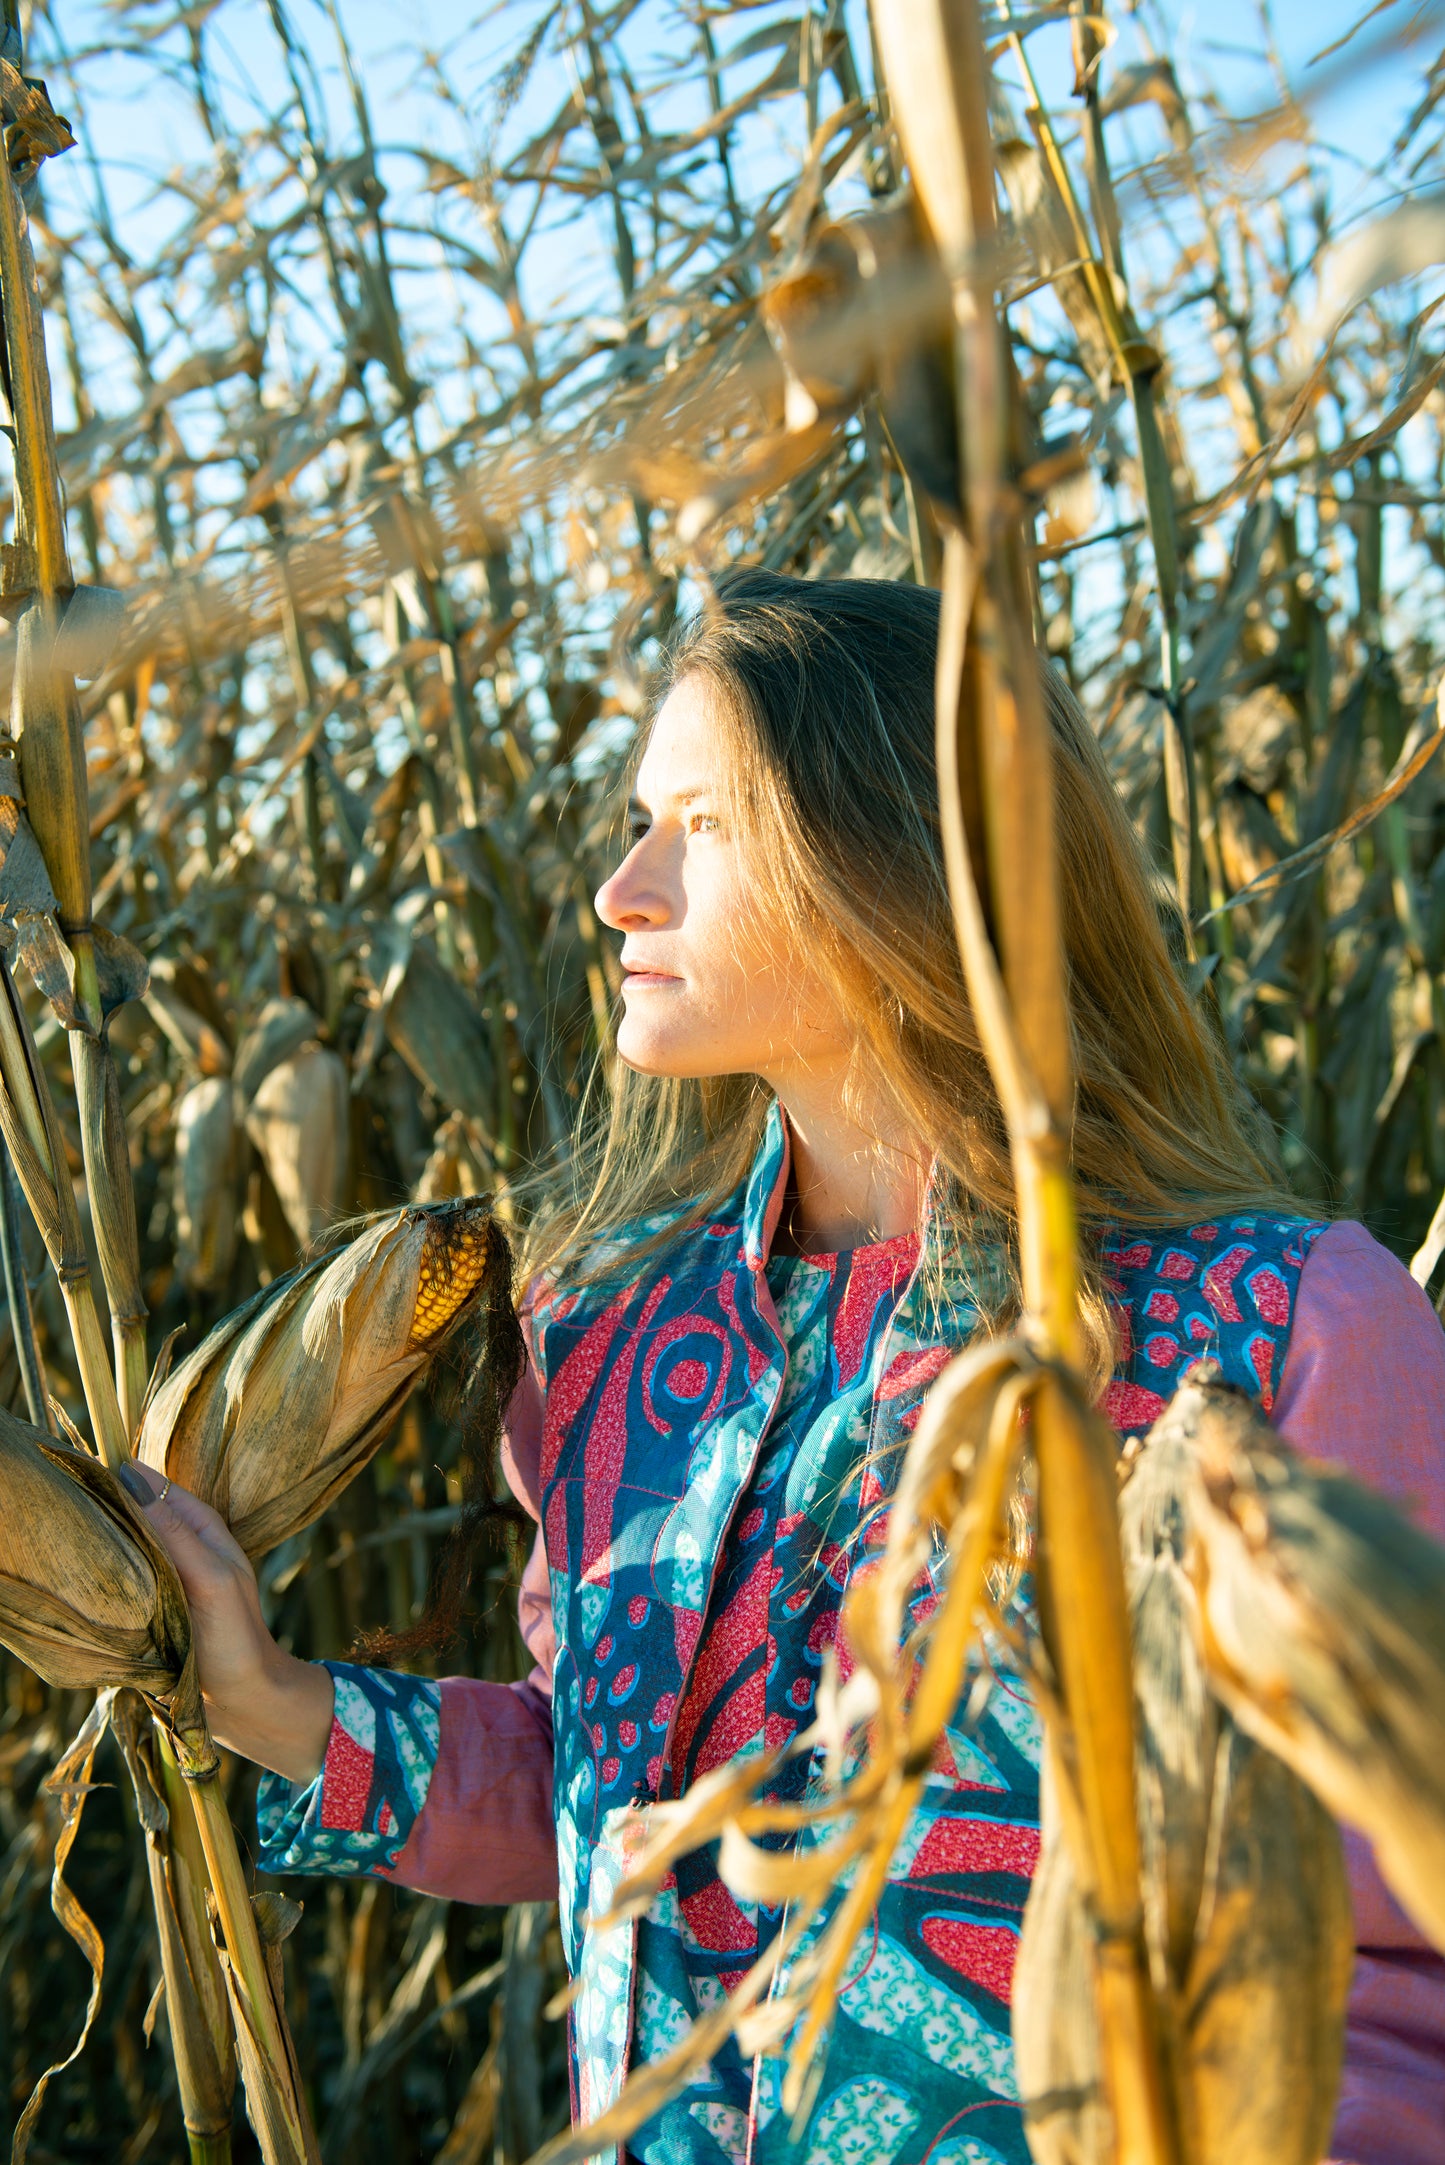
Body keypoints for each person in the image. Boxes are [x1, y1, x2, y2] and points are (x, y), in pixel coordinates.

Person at [126, 573, 1445, 2165]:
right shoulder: (605, 1332)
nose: (619, 886)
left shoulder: (1278, 1327)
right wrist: (276, 1702)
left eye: (702, 823)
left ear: (901, 865)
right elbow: (587, 1788)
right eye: (636, 817)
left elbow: (1384, 1956)